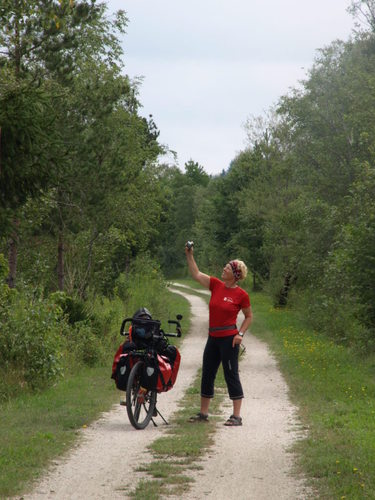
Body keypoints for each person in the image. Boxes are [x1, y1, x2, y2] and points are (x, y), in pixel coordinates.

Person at [185, 243, 252, 426]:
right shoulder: (216, 284)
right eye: (226, 266)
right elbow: (197, 274)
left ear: (235, 275)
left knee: (231, 374)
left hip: (229, 340)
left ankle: (236, 416)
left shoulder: (241, 295)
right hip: (213, 338)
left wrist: (240, 334)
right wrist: (190, 255)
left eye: (228, 267)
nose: (224, 268)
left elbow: (248, 316)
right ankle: (203, 414)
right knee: (207, 373)